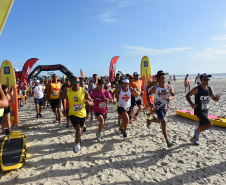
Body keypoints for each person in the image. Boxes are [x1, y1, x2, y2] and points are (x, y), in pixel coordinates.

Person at [186, 73, 220, 145]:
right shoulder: (197, 89)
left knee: (201, 126)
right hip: (199, 110)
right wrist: (192, 104)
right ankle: (197, 132)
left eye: (208, 79)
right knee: (209, 125)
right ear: (201, 80)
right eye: (205, 79)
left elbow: (214, 98)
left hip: (205, 110)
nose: (207, 81)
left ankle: (193, 139)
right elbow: (187, 95)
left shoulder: (210, 89)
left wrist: (217, 98)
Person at [62, 76, 93, 153]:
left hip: (82, 114)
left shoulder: (84, 91)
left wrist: (89, 103)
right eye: (75, 82)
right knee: (78, 130)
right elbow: (62, 97)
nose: (77, 84)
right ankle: (76, 144)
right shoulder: (67, 91)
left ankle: (78, 140)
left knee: (80, 131)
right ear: (71, 83)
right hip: (73, 114)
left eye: (78, 82)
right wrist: (64, 109)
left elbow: (92, 102)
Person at [147, 72, 175, 148]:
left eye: (165, 78)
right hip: (158, 107)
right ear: (158, 79)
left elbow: (173, 95)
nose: (164, 80)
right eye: (162, 78)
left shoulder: (169, 87)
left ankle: (149, 121)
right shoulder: (155, 88)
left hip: (165, 107)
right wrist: (150, 102)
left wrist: (170, 98)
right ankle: (168, 142)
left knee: (159, 121)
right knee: (164, 122)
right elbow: (147, 94)